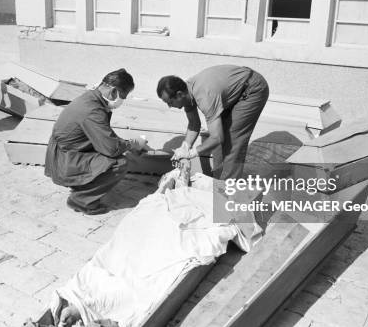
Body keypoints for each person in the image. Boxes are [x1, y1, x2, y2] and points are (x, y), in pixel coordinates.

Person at [45, 69, 148, 215]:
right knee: (119, 163)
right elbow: (111, 149)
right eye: (123, 96)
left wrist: (127, 144)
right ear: (113, 91)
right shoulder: (93, 111)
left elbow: (104, 136)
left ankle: (83, 185)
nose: (122, 101)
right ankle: (81, 200)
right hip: (66, 160)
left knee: (113, 154)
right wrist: (132, 144)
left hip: (67, 152)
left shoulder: (91, 98)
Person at [156, 65, 269, 180]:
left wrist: (192, 153)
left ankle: (227, 191)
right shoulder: (187, 92)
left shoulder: (205, 96)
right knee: (219, 144)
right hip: (234, 89)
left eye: (170, 102)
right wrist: (185, 146)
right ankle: (218, 181)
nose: (169, 106)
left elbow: (217, 138)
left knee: (232, 141)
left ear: (179, 94)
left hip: (252, 89)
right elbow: (194, 125)